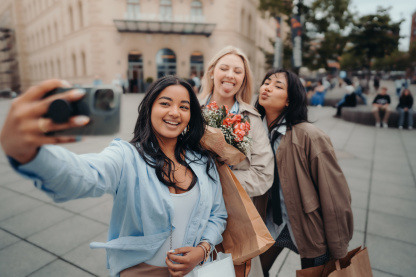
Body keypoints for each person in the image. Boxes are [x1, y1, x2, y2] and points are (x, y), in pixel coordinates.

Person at [0, 76, 227, 277]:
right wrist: (30, 154)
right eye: (165, 103)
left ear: (191, 115)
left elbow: (217, 214)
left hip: (195, 271)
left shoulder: (202, 161)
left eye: (184, 107)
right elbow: (85, 174)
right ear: (149, 109)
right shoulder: (126, 156)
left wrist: (202, 249)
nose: (175, 112)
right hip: (140, 270)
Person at [254, 68, 353, 276]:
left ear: (290, 100)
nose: (267, 88)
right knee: (254, 272)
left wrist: (338, 247)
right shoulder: (254, 132)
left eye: (277, 86)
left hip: (309, 227)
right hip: (272, 223)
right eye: (266, 82)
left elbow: (335, 195)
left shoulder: (310, 136)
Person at [199, 45, 274, 276]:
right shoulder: (191, 110)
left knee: (229, 269)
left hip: (235, 216)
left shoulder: (250, 118)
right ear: (212, 72)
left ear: (243, 79)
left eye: (238, 71)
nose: (230, 75)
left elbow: (264, 174)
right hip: (195, 210)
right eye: (224, 68)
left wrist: (221, 182)